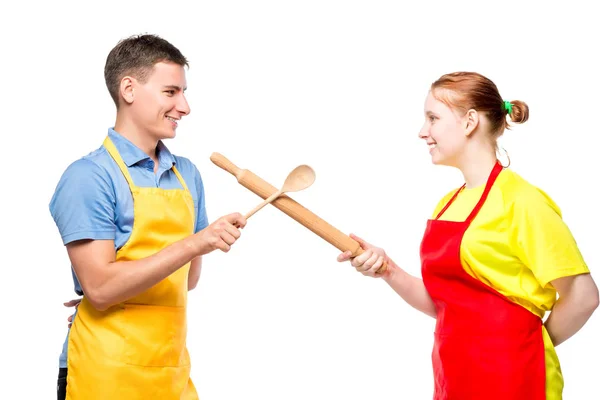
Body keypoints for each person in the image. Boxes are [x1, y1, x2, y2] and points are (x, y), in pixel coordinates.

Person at [337, 71, 599, 400]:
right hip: (454, 372)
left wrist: (528, 343)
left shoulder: (521, 201)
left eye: (433, 118)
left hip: (515, 376)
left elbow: (584, 297)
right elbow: (446, 305)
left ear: (469, 121)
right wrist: (387, 268)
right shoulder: (448, 203)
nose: (422, 132)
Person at [50, 34, 247, 400]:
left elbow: (186, 281)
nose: (185, 106)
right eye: (171, 92)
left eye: (183, 92)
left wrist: (197, 246)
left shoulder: (186, 174)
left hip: (169, 370)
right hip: (103, 372)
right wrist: (195, 242)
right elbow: (103, 289)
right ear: (129, 89)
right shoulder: (89, 177)